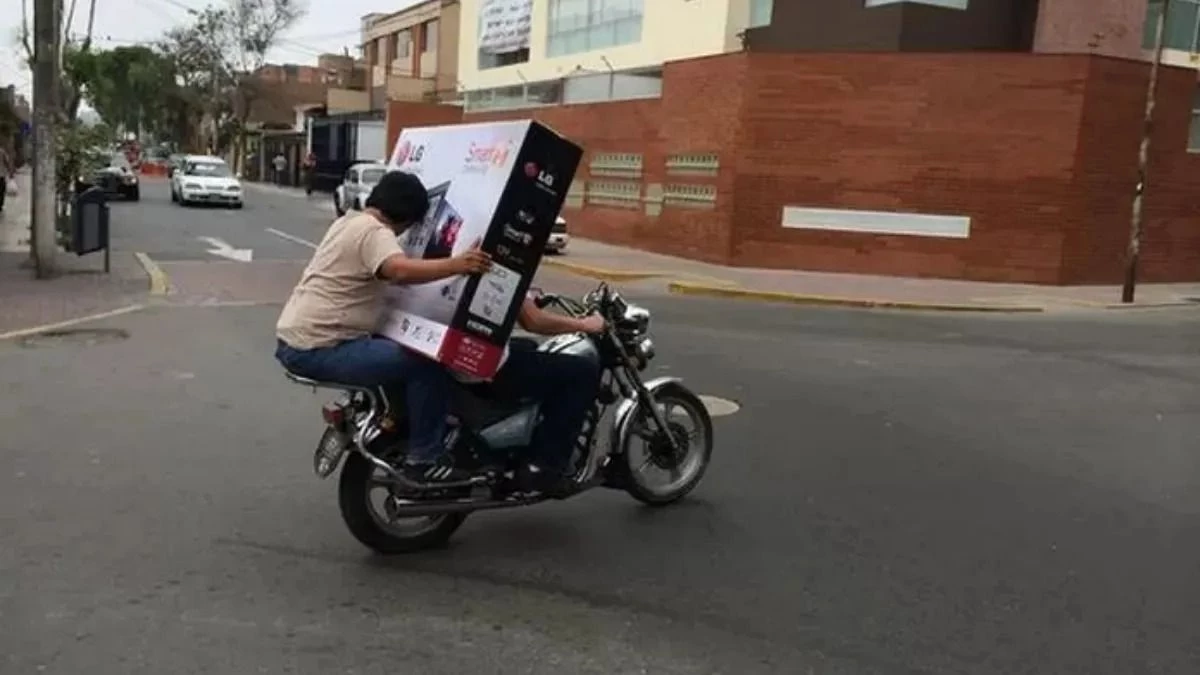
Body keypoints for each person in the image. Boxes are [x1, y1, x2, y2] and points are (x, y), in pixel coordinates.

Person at [274, 171, 492, 483]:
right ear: (405, 215)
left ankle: (398, 420)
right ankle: (425, 458)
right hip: (320, 347)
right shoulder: (374, 231)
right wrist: (459, 264)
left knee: (395, 354)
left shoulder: (347, 222)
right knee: (426, 363)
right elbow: (398, 270)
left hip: (297, 341)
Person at [479, 294, 607, 495]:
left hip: (454, 353)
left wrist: (528, 298)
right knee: (581, 372)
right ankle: (544, 467)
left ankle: (510, 447)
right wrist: (585, 324)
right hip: (477, 362)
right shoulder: (497, 272)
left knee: (528, 346)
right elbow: (534, 321)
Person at [0, 145, 13, 213]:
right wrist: (10, 172)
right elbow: (7, 162)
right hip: (1, 175)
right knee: (1, 191)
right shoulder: (2, 151)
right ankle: (0, 205)